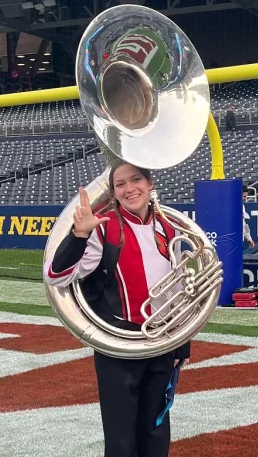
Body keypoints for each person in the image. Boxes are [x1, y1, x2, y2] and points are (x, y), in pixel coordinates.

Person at [44, 161, 190, 457]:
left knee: (156, 429)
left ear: (150, 183)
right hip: (118, 345)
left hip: (161, 341)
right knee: (121, 437)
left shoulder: (169, 226)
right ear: (113, 191)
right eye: (120, 184)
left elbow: (178, 289)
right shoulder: (104, 226)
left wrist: (181, 343)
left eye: (136, 180)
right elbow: (55, 275)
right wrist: (78, 235)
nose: (129, 189)